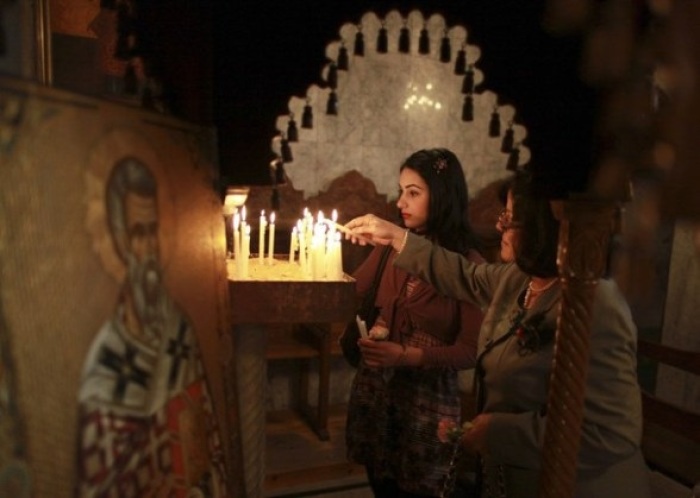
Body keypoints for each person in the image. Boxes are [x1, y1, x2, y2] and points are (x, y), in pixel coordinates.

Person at [344, 171, 651, 498]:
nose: (499, 227)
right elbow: (463, 275)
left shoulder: (595, 303)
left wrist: (498, 432)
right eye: (503, 216)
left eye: (512, 219)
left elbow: (610, 434)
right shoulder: (519, 279)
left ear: (546, 228)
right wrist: (395, 236)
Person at [77, 157, 226, 497]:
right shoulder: (105, 367)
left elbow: (210, 441)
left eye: (154, 231)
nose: (150, 249)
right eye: (138, 234)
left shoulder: (181, 329)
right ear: (119, 241)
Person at [346, 148, 485, 498]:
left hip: (426, 400)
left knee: (420, 489)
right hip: (378, 389)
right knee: (381, 481)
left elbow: (470, 351)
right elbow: (346, 292)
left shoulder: (467, 265)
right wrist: (329, 249)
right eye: (401, 190)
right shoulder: (389, 248)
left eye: (413, 192)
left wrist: (406, 356)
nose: (401, 202)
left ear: (440, 197)